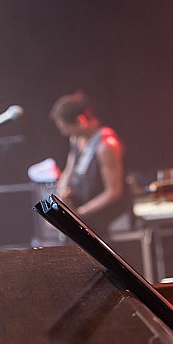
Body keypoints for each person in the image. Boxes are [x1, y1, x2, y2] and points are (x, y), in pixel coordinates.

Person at [50, 91, 130, 238]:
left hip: (103, 220)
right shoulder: (76, 139)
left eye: (65, 128)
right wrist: (62, 193)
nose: (63, 133)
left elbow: (113, 192)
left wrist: (80, 213)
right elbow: (69, 171)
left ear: (80, 121)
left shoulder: (106, 146)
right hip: (84, 216)